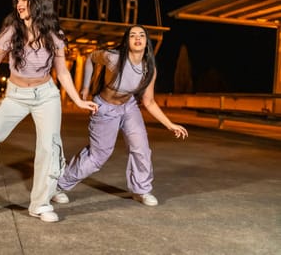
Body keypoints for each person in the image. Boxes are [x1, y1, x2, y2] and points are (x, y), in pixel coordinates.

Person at [0, 0, 98, 223]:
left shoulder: (54, 35)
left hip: (46, 95)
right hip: (15, 95)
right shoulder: (11, 32)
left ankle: (40, 204)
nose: (20, 4)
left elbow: (63, 72)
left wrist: (77, 100)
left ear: (38, 2)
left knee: (49, 147)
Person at [57, 24, 188, 206]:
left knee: (141, 147)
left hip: (129, 106)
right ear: (127, 41)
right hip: (105, 108)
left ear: (146, 42)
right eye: (132, 35)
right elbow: (90, 58)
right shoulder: (113, 58)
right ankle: (59, 185)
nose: (137, 38)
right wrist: (85, 88)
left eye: (141, 35)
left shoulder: (149, 69)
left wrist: (170, 124)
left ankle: (141, 190)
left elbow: (149, 102)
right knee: (98, 156)